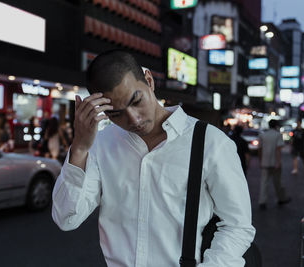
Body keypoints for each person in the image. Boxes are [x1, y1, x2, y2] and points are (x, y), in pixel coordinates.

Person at [52, 50, 255, 266]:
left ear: (149, 80)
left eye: (136, 101)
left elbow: (237, 226)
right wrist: (80, 149)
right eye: (116, 113)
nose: (133, 118)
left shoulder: (211, 143)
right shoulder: (100, 145)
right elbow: (67, 219)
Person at [258, 119, 291, 210]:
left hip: (265, 162)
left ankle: (262, 201)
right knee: (277, 182)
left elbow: (259, 149)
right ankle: (281, 198)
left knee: (264, 182)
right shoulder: (278, 135)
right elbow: (278, 150)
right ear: (276, 125)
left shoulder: (263, 135)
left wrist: (260, 161)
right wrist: (278, 162)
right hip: (274, 163)